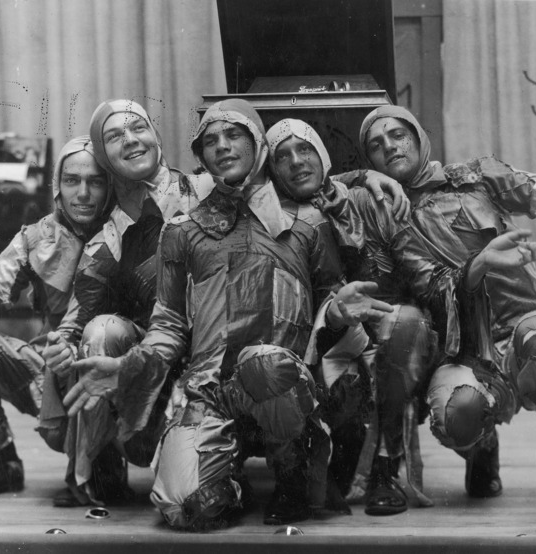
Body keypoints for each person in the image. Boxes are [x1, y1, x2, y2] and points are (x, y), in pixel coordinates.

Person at [63, 98, 395, 530]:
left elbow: (328, 298)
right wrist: (127, 367)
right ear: (200, 158)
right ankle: (228, 482)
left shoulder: (308, 221)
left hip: (281, 382)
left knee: (266, 363)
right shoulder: (182, 230)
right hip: (209, 390)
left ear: (258, 142)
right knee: (184, 506)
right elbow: (167, 327)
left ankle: (292, 468)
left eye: (234, 134)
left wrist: (335, 311)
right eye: (211, 141)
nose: (223, 146)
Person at [265, 118, 536, 517]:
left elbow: (428, 279)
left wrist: (477, 265)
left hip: (396, 334)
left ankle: (387, 467)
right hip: (318, 333)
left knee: (407, 322)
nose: (297, 162)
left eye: (306, 150)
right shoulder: (270, 215)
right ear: (271, 168)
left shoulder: (372, 202)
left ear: (323, 156)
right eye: (284, 156)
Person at [358, 104, 536, 516]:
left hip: (523, 321)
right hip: (462, 346)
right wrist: (481, 263)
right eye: (375, 146)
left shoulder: (476, 177)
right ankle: (480, 447)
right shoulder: (388, 217)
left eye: (397, 135)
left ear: (419, 136)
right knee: (458, 412)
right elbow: (433, 288)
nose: (389, 147)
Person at [39, 99, 214, 507]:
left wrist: (362, 177)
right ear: (104, 155)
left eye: (138, 127)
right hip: (149, 364)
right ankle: (101, 468)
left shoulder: (207, 190)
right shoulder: (108, 238)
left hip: (214, 352)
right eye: (115, 136)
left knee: (189, 499)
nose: (131, 140)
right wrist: (63, 342)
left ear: (155, 133)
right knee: (100, 331)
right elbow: (80, 310)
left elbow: (278, 179)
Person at [0, 136, 110, 499]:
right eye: (72, 181)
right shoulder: (35, 238)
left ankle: (105, 462)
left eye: (96, 181)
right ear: (57, 185)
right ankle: (3, 461)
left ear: (111, 184)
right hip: (51, 374)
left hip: (114, 373)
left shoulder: (132, 229)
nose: (84, 193)